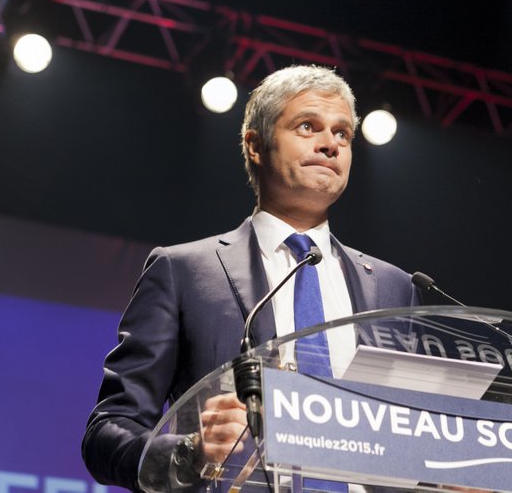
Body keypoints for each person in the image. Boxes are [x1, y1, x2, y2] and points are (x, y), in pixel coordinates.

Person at [81, 64, 421, 491]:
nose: (331, 144)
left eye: (342, 134)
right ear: (256, 145)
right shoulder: (185, 271)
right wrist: (188, 451)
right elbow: (108, 431)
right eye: (307, 126)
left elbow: (412, 433)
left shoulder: (394, 287)